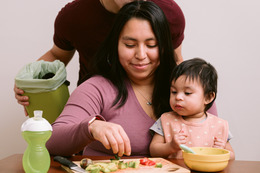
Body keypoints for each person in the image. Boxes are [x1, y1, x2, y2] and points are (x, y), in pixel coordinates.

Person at [46, 1, 176, 157]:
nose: (141, 55)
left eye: (151, 45)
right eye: (129, 45)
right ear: (116, 45)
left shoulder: (188, 86)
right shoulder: (96, 88)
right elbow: (51, 141)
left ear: (164, 47)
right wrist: (92, 127)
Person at [13, 0, 186, 115]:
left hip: (152, 113)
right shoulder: (76, 16)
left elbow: (176, 61)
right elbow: (57, 54)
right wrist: (28, 83)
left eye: (150, 44)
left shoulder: (168, 14)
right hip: (95, 115)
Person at [149, 58, 235, 160]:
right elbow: (153, 150)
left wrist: (223, 151)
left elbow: (232, 156)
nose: (178, 97)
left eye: (187, 93)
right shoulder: (166, 120)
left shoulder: (218, 125)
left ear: (208, 97)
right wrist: (171, 146)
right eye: (174, 92)